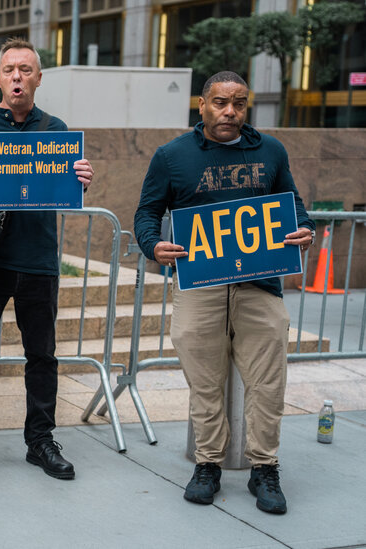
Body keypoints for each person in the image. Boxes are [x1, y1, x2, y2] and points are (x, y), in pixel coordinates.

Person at [133, 71, 314, 515]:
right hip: (200, 286)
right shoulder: (172, 156)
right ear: (202, 105)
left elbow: (292, 203)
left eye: (239, 103)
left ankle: (264, 467)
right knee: (205, 384)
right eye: (220, 102)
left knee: (267, 383)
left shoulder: (271, 151)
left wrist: (304, 227)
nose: (230, 111)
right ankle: (208, 464)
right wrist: (153, 245)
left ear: (246, 106)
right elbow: (147, 212)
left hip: (260, 286)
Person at [0, 37, 94, 481]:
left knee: (42, 356)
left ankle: (41, 441)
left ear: (38, 78)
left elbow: (70, 191)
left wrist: (83, 179)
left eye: (25, 70)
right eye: (9, 70)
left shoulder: (56, 131)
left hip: (38, 261)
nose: (17, 77)